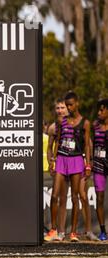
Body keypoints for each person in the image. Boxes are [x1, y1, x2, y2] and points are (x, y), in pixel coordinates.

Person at [45, 91, 91, 242]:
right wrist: (53, 160)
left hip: (76, 160)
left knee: (76, 196)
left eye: (70, 105)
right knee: (55, 195)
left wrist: (88, 164)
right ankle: (53, 230)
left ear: (76, 104)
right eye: (66, 105)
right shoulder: (61, 122)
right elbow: (58, 141)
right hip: (62, 159)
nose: (68, 108)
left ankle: (73, 233)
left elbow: (87, 146)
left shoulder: (84, 122)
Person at [46, 99, 68, 241]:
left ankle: (62, 232)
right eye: (58, 108)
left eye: (63, 107)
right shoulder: (53, 127)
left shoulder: (75, 125)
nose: (60, 110)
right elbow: (49, 147)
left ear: (68, 109)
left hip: (72, 163)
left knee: (64, 198)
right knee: (54, 196)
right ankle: (53, 229)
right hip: (58, 163)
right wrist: (50, 162)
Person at [92, 99, 108, 241]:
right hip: (98, 165)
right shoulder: (95, 126)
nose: (99, 113)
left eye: (102, 110)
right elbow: (89, 144)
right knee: (100, 198)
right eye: (98, 110)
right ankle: (103, 231)